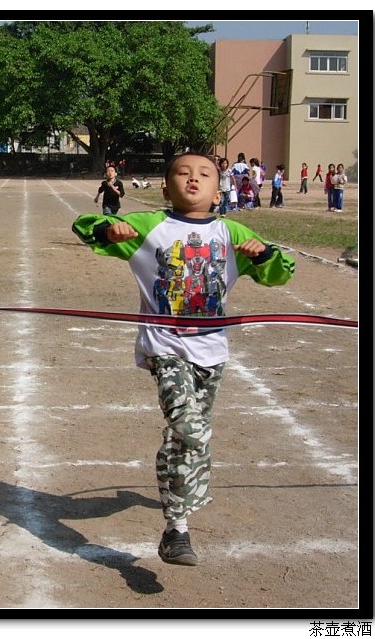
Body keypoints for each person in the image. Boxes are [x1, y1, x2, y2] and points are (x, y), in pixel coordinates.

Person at [71, 152, 295, 566]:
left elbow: (280, 271)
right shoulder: (149, 226)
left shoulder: (230, 231)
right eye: (183, 173)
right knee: (189, 427)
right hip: (165, 348)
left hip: (212, 351)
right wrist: (110, 228)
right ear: (165, 186)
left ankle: (176, 529)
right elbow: (86, 228)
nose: (194, 179)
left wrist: (262, 254)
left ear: (219, 188)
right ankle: (185, 502)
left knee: (182, 440)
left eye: (205, 174)